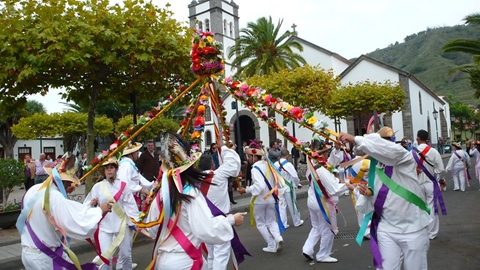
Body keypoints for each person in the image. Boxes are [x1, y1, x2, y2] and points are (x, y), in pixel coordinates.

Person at [144, 132, 246, 270]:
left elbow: (152, 229)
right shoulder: (190, 192)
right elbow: (207, 230)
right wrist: (232, 220)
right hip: (185, 262)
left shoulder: (162, 192)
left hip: (163, 261)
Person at [339, 127, 432, 270]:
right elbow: (371, 200)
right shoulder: (375, 169)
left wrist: (355, 138)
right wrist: (368, 193)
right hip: (386, 229)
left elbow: (388, 150)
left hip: (414, 229)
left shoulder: (404, 157)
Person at [18, 154, 112, 269]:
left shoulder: (34, 189)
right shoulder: (55, 197)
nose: (70, 186)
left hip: (29, 253)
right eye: (69, 182)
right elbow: (75, 222)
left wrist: (89, 205)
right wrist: (99, 211)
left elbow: (66, 210)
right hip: (44, 257)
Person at [84, 157, 141, 269]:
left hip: (122, 226)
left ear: (116, 170)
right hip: (105, 226)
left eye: (112, 168)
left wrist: (135, 221)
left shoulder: (123, 186)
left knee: (125, 255)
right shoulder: (98, 187)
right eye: (107, 168)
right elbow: (86, 204)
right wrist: (93, 203)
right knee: (106, 258)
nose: (109, 170)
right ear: (104, 171)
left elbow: (130, 205)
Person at [197, 139, 243, 270]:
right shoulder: (219, 175)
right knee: (221, 256)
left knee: (212, 255)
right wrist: (223, 148)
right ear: (212, 166)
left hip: (205, 222)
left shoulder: (193, 181)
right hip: (221, 222)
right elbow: (233, 164)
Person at [302, 137, 348, 263]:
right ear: (322, 154)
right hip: (323, 203)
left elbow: (331, 164)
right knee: (328, 229)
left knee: (316, 227)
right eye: (327, 151)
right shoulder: (322, 170)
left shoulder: (311, 166)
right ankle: (323, 255)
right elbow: (334, 189)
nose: (328, 153)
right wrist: (348, 185)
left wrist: (337, 150)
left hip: (312, 201)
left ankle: (307, 249)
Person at [237, 146, 284, 253]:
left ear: (254, 157)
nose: (247, 158)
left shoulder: (255, 169)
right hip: (271, 198)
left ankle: (271, 245)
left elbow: (260, 186)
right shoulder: (268, 165)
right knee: (271, 221)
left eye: (249, 156)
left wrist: (246, 190)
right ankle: (278, 238)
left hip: (260, 200)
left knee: (261, 223)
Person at [116, 141, 153, 270]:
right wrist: (140, 189)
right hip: (127, 203)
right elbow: (125, 183)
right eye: (137, 152)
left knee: (129, 233)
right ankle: (124, 262)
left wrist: (153, 185)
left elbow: (140, 180)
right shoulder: (126, 165)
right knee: (129, 231)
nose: (138, 154)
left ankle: (123, 262)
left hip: (130, 201)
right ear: (132, 153)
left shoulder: (128, 165)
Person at [414, 129, 446, 240]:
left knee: (419, 207)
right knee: (432, 206)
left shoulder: (411, 152)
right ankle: (432, 233)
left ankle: (421, 231)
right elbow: (440, 169)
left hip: (417, 183)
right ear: (427, 139)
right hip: (430, 182)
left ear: (418, 138)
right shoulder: (434, 151)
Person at [274, 149, 303, 228]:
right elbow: (294, 176)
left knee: (282, 206)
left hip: (280, 187)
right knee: (292, 204)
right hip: (288, 187)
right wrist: (298, 184)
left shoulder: (275, 164)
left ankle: (283, 223)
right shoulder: (288, 164)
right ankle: (296, 221)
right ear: (287, 155)